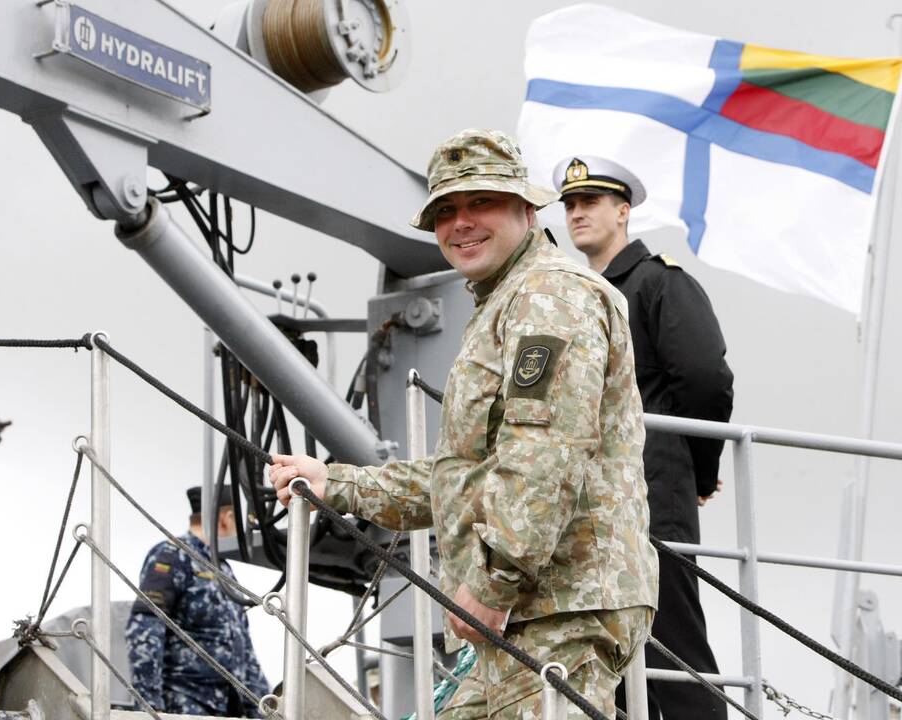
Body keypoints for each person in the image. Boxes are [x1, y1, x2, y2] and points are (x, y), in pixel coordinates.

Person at [270, 129, 658, 719]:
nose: (462, 223)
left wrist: (493, 585)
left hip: (557, 607)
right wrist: (337, 484)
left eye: (482, 202)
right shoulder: (505, 301)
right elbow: (466, 477)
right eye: (446, 211)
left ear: (525, 209)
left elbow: (544, 454)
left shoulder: (550, 296)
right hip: (524, 609)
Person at [554, 156, 734, 720]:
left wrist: (698, 471)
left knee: (672, 643)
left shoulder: (659, 282)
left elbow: (706, 380)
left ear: (624, 211)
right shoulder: (578, 296)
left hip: (654, 490)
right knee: (612, 651)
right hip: (589, 503)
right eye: (570, 205)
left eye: (591, 203)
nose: (577, 212)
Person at [126, 486, 269, 717]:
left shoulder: (224, 570)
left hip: (226, 708)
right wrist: (149, 707)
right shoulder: (171, 556)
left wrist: (264, 711)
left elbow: (242, 646)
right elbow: (145, 627)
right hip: (185, 704)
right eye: (236, 521)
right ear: (226, 518)